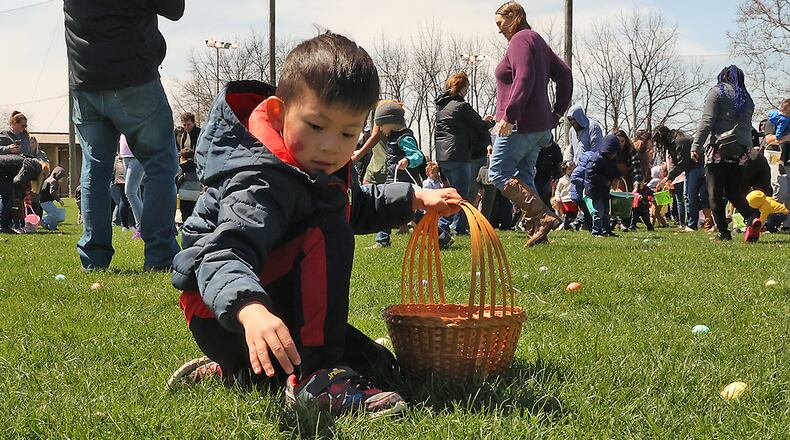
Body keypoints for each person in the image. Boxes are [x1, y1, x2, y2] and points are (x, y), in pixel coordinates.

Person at [168, 33, 462, 417]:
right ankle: (316, 376)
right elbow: (224, 252)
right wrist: (250, 308)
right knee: (326, 230)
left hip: (259, 305)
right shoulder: (261, 179)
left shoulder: (313, 168)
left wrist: (414, 199)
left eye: (347, 133)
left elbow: (352, 207)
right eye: (317, 126)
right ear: (278, 115)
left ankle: (239, 372)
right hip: (224, 310)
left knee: (374, 363)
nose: (330, 146)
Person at [64, 0, 183, 270]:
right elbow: (174, 9)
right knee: (161, 164)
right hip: (133, 74)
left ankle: (93, 258)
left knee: (94, 167)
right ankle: (160, 254)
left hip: (85, 80)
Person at [488, 1, 573, 247]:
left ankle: (543, 216)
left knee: (497, 173)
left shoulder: (520, 40)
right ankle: (538, 234)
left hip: (520, 124)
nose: (499, 30)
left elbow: (523, 78)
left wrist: (509, 116)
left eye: (500, 23)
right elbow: (565, 75)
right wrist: (555, 113)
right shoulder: (536, 40)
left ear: (513, 16)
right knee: (525, 175)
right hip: (539, 127)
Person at [691, 65, 760, 242]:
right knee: (733, 191)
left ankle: (723, 232)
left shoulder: (717, 92)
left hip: (719, 148)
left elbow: (707, 121)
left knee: (714, 192)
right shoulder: (747, 98)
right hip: (742, 150)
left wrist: (696, 146)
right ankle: (752, 218)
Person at [434, 72, 494, 235]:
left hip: (442, 155)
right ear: (462, 88)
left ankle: (458, 227)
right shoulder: (461, 106)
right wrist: (492, 121)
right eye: (467, 88)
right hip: (458, 154)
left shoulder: (441, 107)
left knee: (452, 191)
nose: (467, 91)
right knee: (461, 193)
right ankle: (443, 226)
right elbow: (480, 125)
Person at [584, 135, 621, 237]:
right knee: (598, 211)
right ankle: (596, 231)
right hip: (594, 189)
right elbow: (590, 174)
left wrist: (616, 177)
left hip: (604, 189)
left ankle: (606, 230)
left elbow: (615, 170)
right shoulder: (596, 159)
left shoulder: (612, 160)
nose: (613, 155)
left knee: (605, 212)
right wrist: (606, 181)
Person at [0, 154, 45, 233]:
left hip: (3, 173)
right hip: (3, 173)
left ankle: (5, 225)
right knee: (13, 198)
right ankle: (4, 225)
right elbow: (18, 181)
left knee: (7, 197)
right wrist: (22, 195)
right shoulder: (33, 167)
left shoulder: (29, 162)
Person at [119, 134, 144, 239]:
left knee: (130, 192)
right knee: (136, 193)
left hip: (137, 156)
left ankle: (143, 227)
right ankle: (142, 227)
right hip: (125, 156)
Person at [176, 149, 201, 222]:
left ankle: (185, 228)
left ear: (182, 157)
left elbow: (178, 180)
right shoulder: (197, 166)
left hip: (184, 194)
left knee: (185, 214)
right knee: (194, 213)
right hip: (196, 194)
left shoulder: (181, 167)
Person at [39, 167, 67, 231]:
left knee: (54, 212)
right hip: (46, 201)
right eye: (61, 177)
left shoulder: (48, 180)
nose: (62, 179)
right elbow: (52, 192)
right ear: (57, 175)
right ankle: (44, 221)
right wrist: (59, 200)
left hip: (43, 201)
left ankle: (52, 227)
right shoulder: (53, 181)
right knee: (55, 213)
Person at [553, 160, 577, 230]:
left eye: (573, 169)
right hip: (565, 200)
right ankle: (565, 225)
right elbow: (558, 190)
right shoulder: (562, 180)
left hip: (574, 200)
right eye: (569, 169)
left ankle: (572, 225)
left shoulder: (576, 178)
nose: (572, 171)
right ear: (565, 170)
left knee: (574, 215)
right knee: (567, 216)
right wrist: (557, 197)